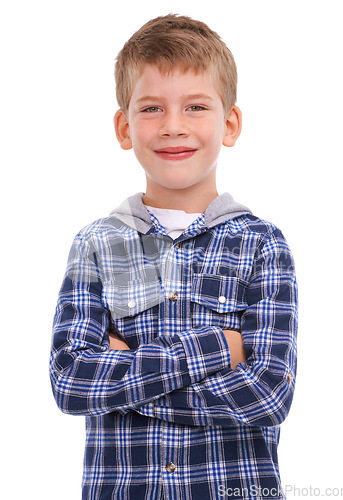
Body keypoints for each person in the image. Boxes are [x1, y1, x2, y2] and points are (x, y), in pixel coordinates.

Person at [50, 14, 298, 500]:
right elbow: (71, 383)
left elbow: (268, 394)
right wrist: (217, 350)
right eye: (151, 109)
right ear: (124, 127)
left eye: (196, 106)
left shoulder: (263, 245)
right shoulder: (96, 244)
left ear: (229, 124)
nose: (173, 126)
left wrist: (125, 388)